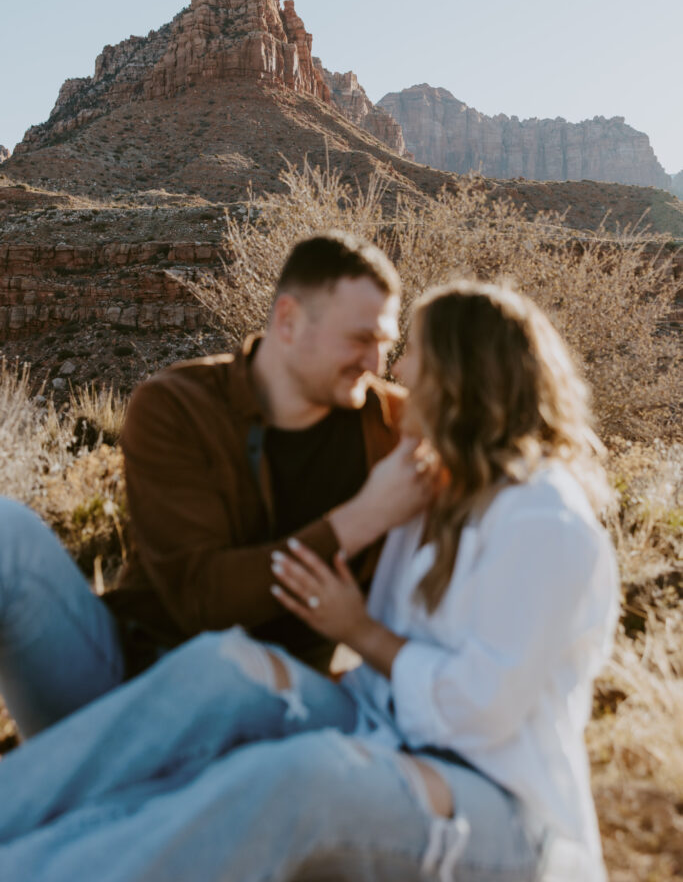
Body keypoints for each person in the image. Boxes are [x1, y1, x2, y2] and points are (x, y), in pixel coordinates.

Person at [0, 279, 619, 882]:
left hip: (500, 800)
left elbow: (481, 712)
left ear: (462, 380)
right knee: (224, 668)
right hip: (386, 724)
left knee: (299, 779)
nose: (397, 370)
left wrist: (357, 631)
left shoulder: (546, 522)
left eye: (416, 356)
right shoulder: (430, 489)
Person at [0, 233, 437, 737]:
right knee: (9, 533)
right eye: (360, 340)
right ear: (289, 321)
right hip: (130, 679)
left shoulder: (394, 427)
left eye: (384, 342)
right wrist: (360, 520)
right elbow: (201, 599)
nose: (375, 364)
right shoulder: (178, 406)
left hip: (280, 703)